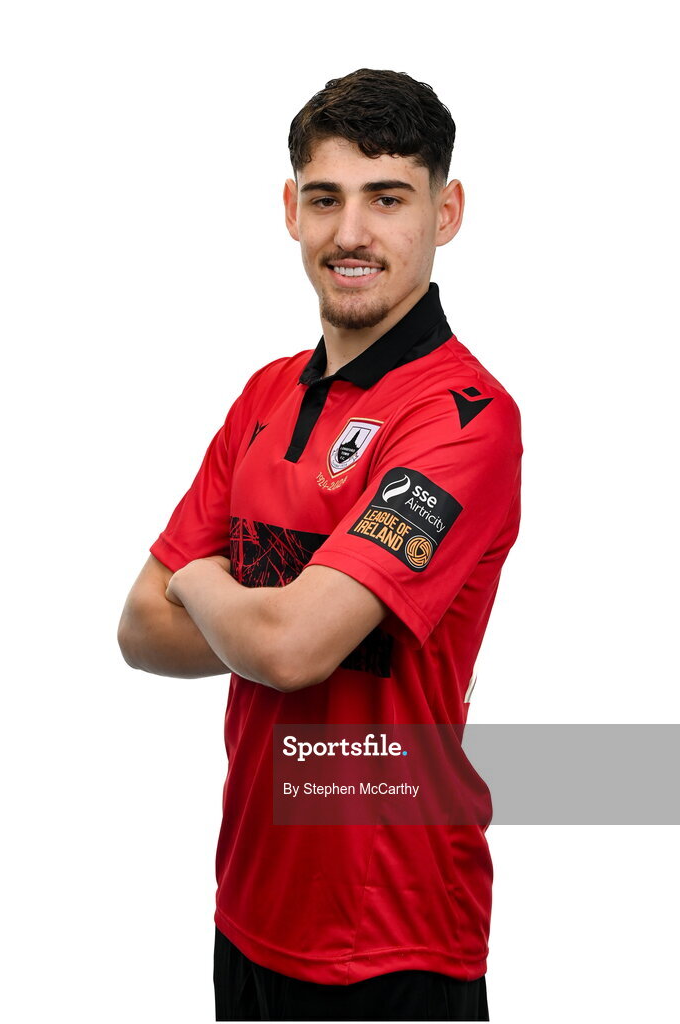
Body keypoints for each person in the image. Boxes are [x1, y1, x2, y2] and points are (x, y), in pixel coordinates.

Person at [118, 68, 522, 1022]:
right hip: (248, 906)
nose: (351, 234)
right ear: (291, 210)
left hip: (395, 931)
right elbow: (138, 629)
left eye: (388, 198)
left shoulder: (464, 419)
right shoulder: (263, 395)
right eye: (326, 198)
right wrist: (271, 614)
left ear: (445, 213)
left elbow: (291, 649)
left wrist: (204, 580)